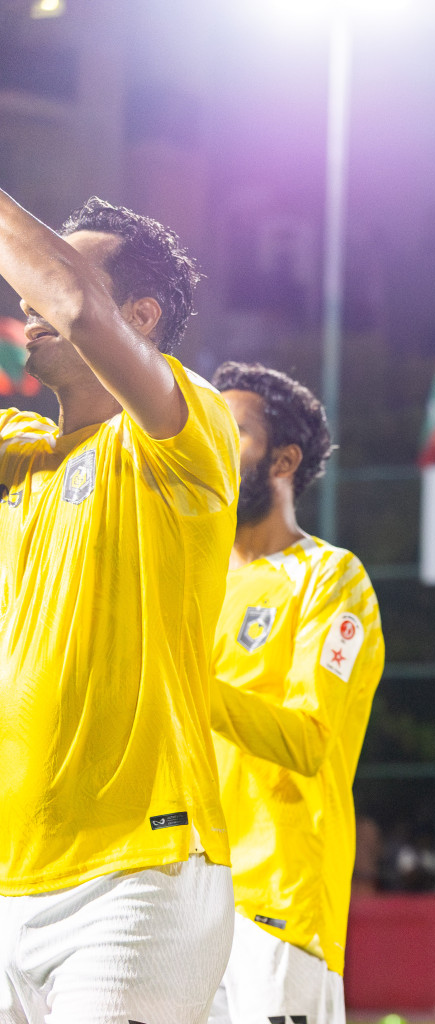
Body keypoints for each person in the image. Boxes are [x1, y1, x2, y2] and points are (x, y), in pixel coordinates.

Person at [0, 195, 238, 1023]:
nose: (26, 301)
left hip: (140, 875)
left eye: (57, 274)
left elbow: (70, 301)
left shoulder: (186, 428)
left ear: (138, 315)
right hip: (12, 880)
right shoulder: (20, 458)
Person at [204, 362, 385, 1024]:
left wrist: (187, 685)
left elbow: (308, 741)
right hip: (172, 896)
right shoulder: (191, 583)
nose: (215, 443)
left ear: (283, 460)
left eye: (237, 431)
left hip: (273, 902)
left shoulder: (332, 580)